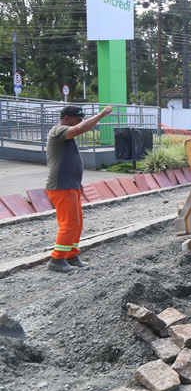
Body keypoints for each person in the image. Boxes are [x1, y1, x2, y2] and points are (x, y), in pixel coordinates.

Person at [45, 104, 114, 271]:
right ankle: (56, 259)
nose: (79, 123)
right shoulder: (58, 130)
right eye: (77, 120)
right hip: (61, 186)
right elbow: (81, 129)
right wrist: (102, 114)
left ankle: (70, 254)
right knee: (69, 223)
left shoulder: (66, 136)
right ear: (66, 118)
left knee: (77, 222)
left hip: (70, 185)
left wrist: (78, 182)